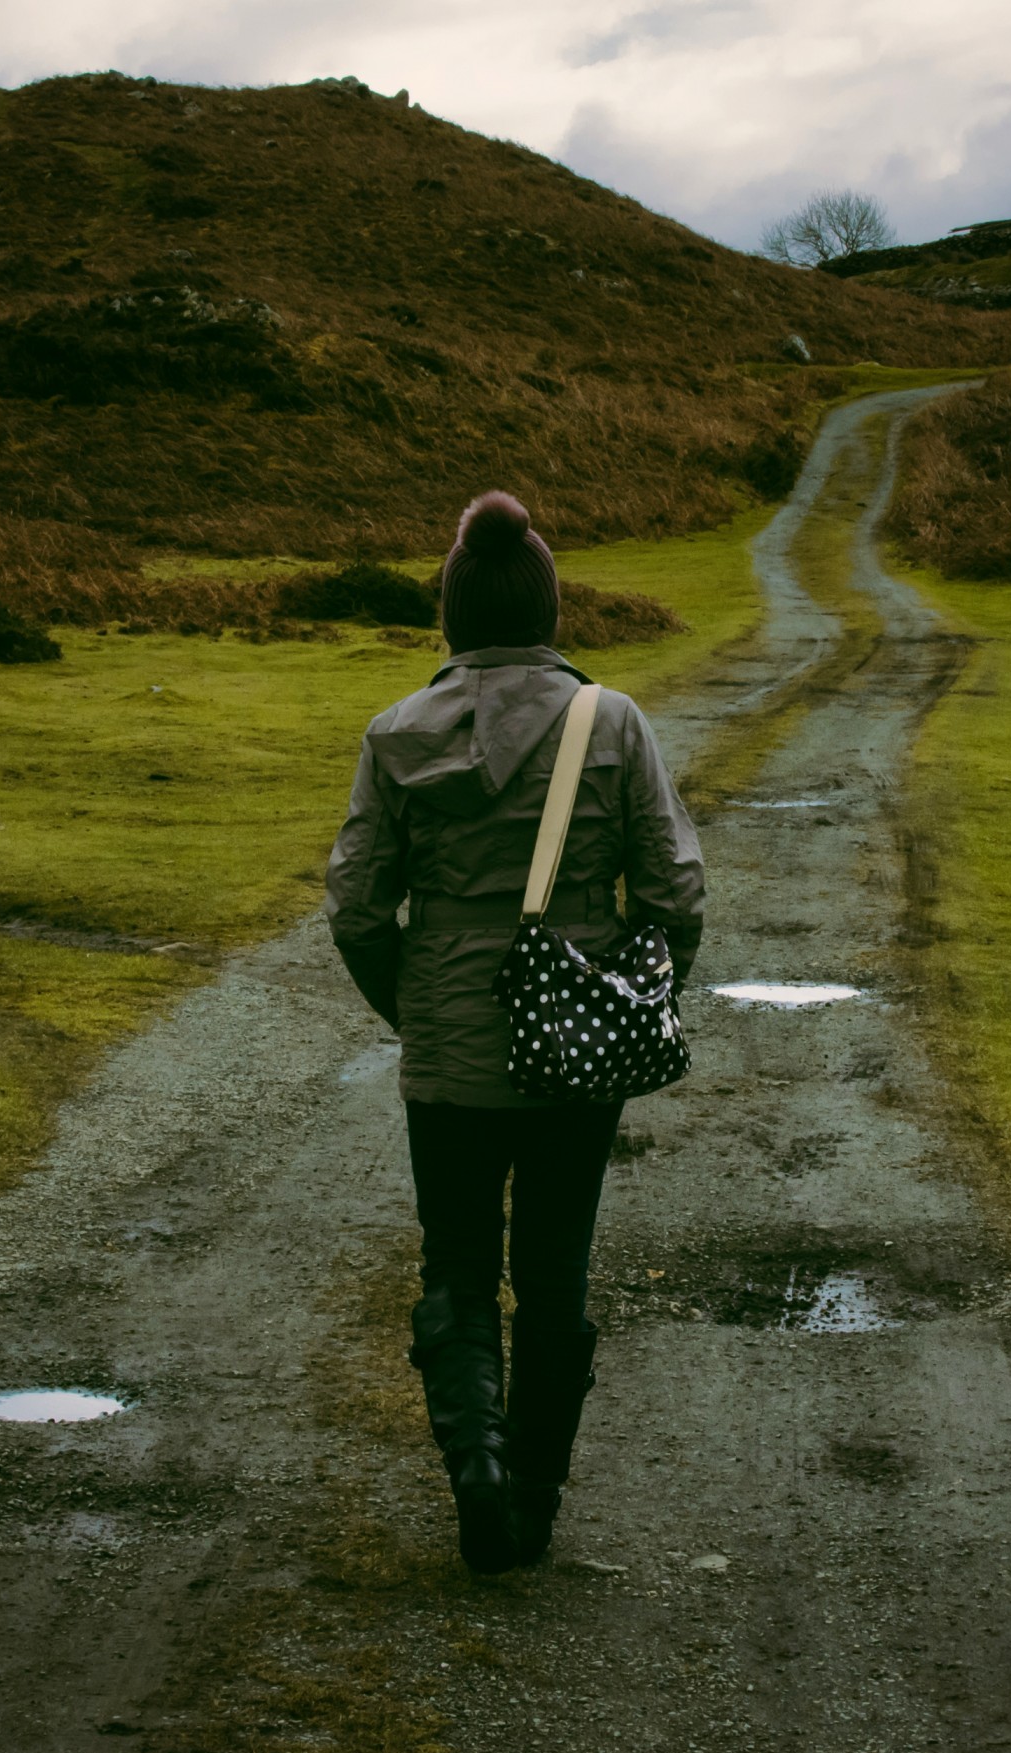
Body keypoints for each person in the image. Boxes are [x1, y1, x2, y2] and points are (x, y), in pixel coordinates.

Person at [325, 491, 704, 1573]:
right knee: (553, 1268)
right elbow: (675, 891)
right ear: (545, 607)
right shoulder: (612, 723)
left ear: (452, 613)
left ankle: (477, 1469)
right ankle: (532, 1494)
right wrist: (631, 999)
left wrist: (417, 1008)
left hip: (447, 1051)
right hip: (576, 1049)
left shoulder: (394, 733)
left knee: (455, 1261)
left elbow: (356, 909)